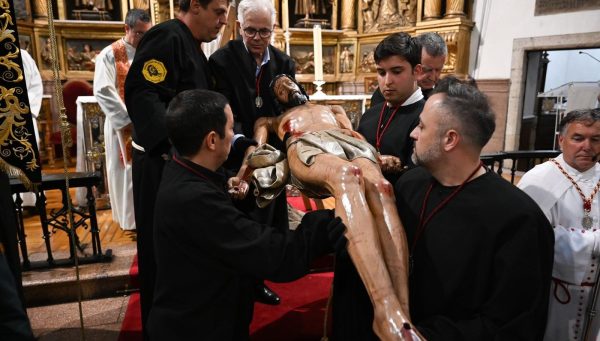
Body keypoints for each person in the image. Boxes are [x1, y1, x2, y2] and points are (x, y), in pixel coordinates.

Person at [232, 74, 422, 340]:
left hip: (348, 143)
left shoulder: (333, 108)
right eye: (280, 87)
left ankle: (403, 316)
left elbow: (354, 134)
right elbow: (256, 150)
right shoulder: (269, 121)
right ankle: (385, 309)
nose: (287, 87)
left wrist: (377, 157)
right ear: (277, 97)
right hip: (305, 143)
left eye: (288, 82)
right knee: (347, 176)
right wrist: (243, 175)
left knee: (382, 188)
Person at [149, 88, 346, 340]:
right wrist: (320, 226)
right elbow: (269, 253)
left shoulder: (182, 165)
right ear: (211, 140)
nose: (233, 136)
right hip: (198, 327)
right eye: (231, 129)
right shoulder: (193, 198)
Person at [393, 76, 554, 340]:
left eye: (421, 126)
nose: (413, 133)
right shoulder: (410, 183)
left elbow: (513, 323)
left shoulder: (518, 219)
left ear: (450, 139)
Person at [124, 0, 228, 337]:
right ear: (195, 6)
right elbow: (143, 94)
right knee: (162, 255)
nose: (223, 20)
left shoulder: (193, 46)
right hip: (162, 165)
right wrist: (172, 150)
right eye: (219, 11)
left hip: (185, 166)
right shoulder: (166, 36)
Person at [208, 0, 295, 305]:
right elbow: (222, 110)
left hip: (273, 155)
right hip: (237, 154)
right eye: (251, 31)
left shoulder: (284, 63)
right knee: (241, 223)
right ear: (239, 28)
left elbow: (289, 109)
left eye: (264, 32)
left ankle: (259, 280)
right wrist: (247, 144)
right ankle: (239, 283)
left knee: (269, 220)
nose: (257, 38)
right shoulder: (221, 61)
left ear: (273, 30)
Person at [518, 108, 600, 341]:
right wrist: (593, 242)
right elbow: (530, 240)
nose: (587, 146)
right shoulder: (539, 180)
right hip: (554, 293)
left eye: (595, 139)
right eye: (578, 138)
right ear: (561, 140)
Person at [94, 9, 151, 231]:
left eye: (147, 33)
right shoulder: (110, 54)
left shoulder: (150, 51)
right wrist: (129, 119)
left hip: (147, 123)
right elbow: (103, 90)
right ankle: (131, 222)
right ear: (126, 29)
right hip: (123, 125)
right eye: (139, 33)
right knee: (125, 171)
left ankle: (147, 216)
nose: (143, 39)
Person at [358, 32, 424, 184]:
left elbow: (421, 177)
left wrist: (398, 167)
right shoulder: (370, 115)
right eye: (381, 72)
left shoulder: (427, 117)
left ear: (417, 71)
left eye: (396, 71)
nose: (387, 81)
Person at [371, 31, 447, 105]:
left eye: (438, 70)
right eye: (426, 70)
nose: (433, 77)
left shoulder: (446, 92)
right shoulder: (387, 94)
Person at [16, 49, 43, 208]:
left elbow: (35, 85)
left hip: (22, 117)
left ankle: (31, 202)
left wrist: (27, 111)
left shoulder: (21, 55)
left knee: (26, 161)